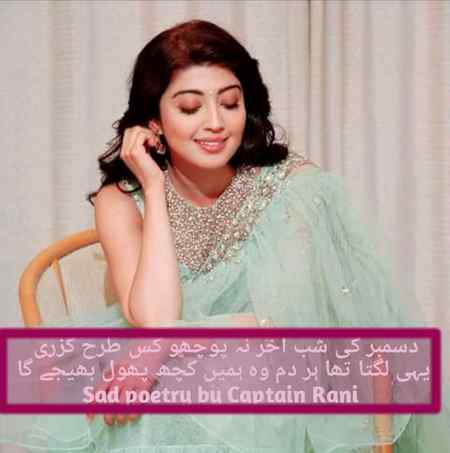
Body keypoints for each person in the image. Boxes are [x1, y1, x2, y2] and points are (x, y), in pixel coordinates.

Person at [1, 18, 450, 453]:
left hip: (284, 370)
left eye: (230, 103)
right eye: (190, 108)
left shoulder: (293, 188)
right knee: (143, 395)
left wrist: (162, 348)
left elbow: (287, 318)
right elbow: (154, 318)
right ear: (154, 121)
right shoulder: (121, 200)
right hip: (170, 376)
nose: (215, 122)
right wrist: (154, 190)